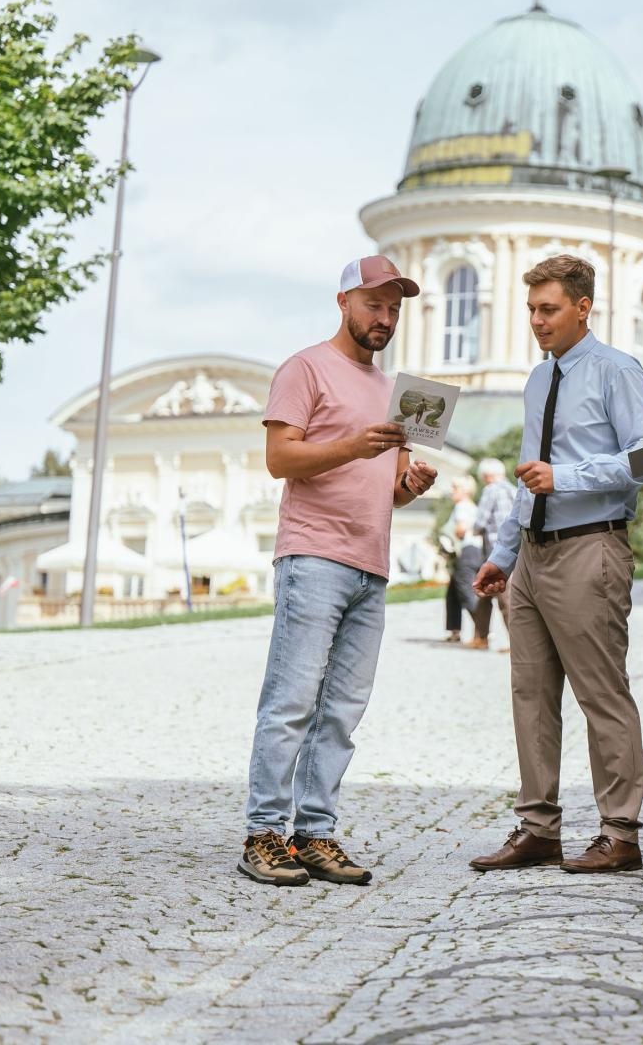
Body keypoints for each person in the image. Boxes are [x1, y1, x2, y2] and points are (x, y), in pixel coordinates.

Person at [240, 255, 438, 887]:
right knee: (292, 699)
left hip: (370, 564)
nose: (384, 318)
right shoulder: (305, 368)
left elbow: (384, 489)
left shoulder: (397, 393)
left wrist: (410, 483)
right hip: (313, 556)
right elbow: (280, 459)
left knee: (343, 711)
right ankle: (264, 833)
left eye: (394, 309)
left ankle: (315, 834)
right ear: (344, 302)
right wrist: (355, 445)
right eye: (374, 304)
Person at [469, 254, 643, 875]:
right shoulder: (537, 380)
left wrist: (566, 476)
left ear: (583, 307)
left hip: (590, 548)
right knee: (530, 694)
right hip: (531, 558)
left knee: (601, 693)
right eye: (530, 310)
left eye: (547, 309)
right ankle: (538, 827)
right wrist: (503, 555)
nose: (536, 321)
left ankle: (620, 833)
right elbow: (529, 478)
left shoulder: (616, 371)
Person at [470, 458, 515, 650]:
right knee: (491, 595)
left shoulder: (491, 490)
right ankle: (481, 637)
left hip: (495, 552)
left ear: (486, 475)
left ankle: (513, 643)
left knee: (501, 596)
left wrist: (473, 530)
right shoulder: (513, 489)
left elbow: (480, 522)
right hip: (515, 551)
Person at [441, 475, 481, 645]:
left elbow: (461, 530)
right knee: (453, 593)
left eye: (455, 487)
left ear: (465, 490)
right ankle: (455, 631)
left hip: (467, 551)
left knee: (465, 591)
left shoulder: (462, 506)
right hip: (474, 551)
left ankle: (482, 631)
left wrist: (447, 539)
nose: (452, 491)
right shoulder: (471, 506)